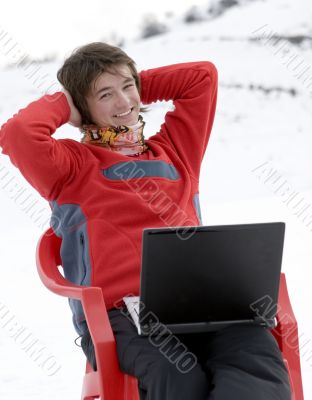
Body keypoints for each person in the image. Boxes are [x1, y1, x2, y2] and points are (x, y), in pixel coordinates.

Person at [0, 42, 291, 399]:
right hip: (121, 317)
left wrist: (128, 83)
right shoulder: (71, 166)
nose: (123, 103)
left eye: (127, 88)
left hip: (202, 303)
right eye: (105, 95)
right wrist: (68, 102)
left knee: (256, 356)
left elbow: (202, 77)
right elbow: (17, 134)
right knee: (180, 377)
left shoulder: (176, 150)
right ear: (83, 107)